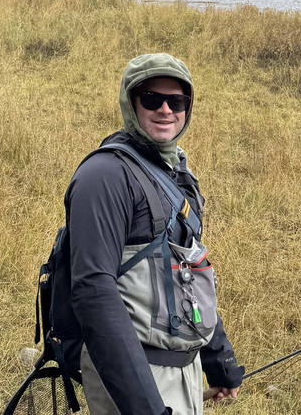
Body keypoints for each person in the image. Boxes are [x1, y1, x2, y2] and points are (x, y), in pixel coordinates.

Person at [65, 53, 243, 415]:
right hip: (134, 375)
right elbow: (93, 293)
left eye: (176, 101)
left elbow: (189, 273)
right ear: (131, 103)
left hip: (183, 369)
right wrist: (145, 406)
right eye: (152, 99)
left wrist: (217, 360)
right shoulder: (104, 176)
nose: (165, 110)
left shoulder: (176, 171)